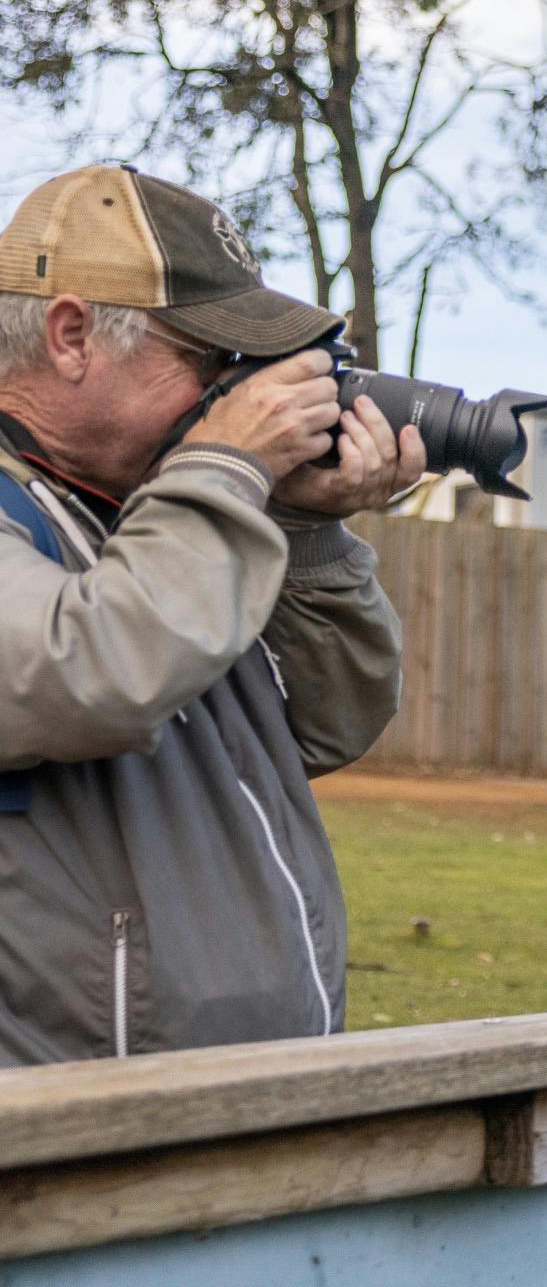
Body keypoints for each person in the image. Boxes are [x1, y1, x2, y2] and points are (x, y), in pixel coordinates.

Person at [0, 164, 423, 1065]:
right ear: (72, 335)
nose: (230, 399)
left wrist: (304, 530)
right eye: (207, 363)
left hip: (249, 1104)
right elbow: (90, 674)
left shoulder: (161, 513)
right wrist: (226, 467)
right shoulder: (155, 507)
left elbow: (325, 727)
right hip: (69, 1140)